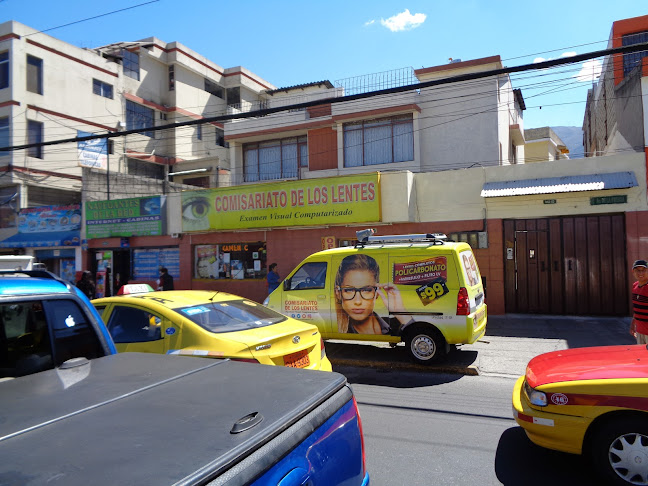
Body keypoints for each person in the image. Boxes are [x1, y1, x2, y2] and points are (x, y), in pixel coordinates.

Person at [334, 254, 411, 335]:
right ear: (338, 293)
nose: (358, 301)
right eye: (349, 290)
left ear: (377, 292)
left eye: (366, 290)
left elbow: (413, 336)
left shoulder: (395, 325)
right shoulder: (338, 331)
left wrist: (401, 313)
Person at [630, 259, 648, 344]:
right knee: (642, 357)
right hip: (640, 331)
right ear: (633, 271)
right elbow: (637, 308)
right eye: (638, 270)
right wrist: (633, 324)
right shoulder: (635, 286)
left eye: (643, 270)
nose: (640, 273)